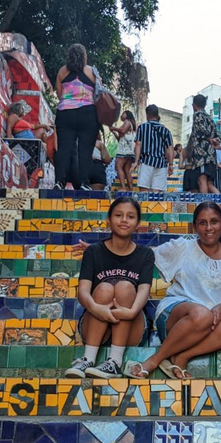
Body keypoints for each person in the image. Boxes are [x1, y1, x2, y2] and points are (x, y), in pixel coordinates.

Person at [124, 201, 221, 379]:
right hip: (177, 316)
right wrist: (107, 252)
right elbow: (146, 256)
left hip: (211, 324)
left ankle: (183, 356)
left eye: (214, 221)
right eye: (202, 223)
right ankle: (156, 359)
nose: (209, 228)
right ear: (195, 227)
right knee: (201, 314)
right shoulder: (183, 247)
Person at [64, 197, 155, 379]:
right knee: (104, 288)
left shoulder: (145, 254)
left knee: (125, 287)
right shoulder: (94, 252)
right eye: (118, 215)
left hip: (131, 325)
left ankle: (115, 361)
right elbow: (82, 291)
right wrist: (95, 307)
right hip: (96, 324)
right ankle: (88, 359)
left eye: (130, 216)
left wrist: (131, 312)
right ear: (108, 219)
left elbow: (144, 290)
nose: (123, 220)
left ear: (137, 224)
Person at [54, 43, 100, 191]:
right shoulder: (91, 71)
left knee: (64, 149)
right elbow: (99, 93)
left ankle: (59, 182)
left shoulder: (62, 71)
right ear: (84, 56)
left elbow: (59, 94)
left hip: (65, 113)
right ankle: (85, 183)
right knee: (85, 150)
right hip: (88, 113)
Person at [134, 104, 174, 192]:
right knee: (158, 192)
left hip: (146, 161)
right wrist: (171, 164)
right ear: (157, 114)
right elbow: (170, 148)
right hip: (161, 163)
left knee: (144, 190)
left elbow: (138, 144)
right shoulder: (166, 130)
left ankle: (144, 205)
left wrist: (136, 162)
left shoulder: (142, 128)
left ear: (147, 115)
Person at [189, 94, 220, 193]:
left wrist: (209, 139)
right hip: (211, 154)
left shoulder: (198, 115)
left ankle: (205, 205)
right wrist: (213, 140)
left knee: (201, 180)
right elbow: (216, 135)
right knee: (209, 183)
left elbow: (201, 131)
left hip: (202, 154)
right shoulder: (209, 118)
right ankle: (219, 201)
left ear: (193, 105)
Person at [110, 111, 137, 191]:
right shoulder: (129, 124)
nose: (121, 115)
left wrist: (114, 128)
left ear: (127, 115)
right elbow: (120, 139)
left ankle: (123, 187)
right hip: (128, 151)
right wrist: (114, 132)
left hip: (123, 151)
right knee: (126, 170)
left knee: (118, 167)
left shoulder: (127, 122)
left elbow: (122, 131)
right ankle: (131, 189)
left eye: (123, 114)